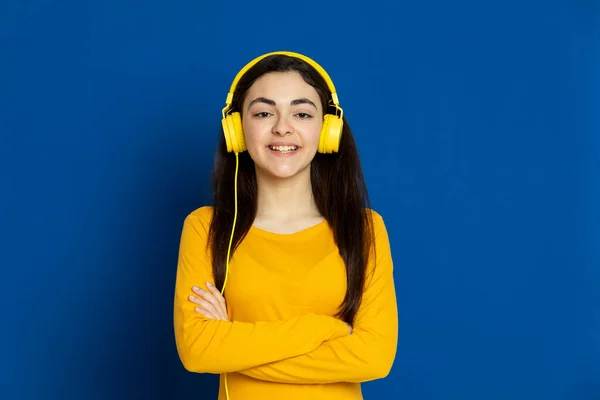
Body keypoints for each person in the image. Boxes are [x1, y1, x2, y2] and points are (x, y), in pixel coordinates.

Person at [173, 51, 398, 400]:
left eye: (302, 113)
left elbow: (374, 357)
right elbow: (198, 349)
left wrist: (233, 339)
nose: (282, 127)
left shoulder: (365, 229)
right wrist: (324, 329)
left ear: (327, 129)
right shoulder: (206, 228)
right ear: (237, 129)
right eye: (264, 112)